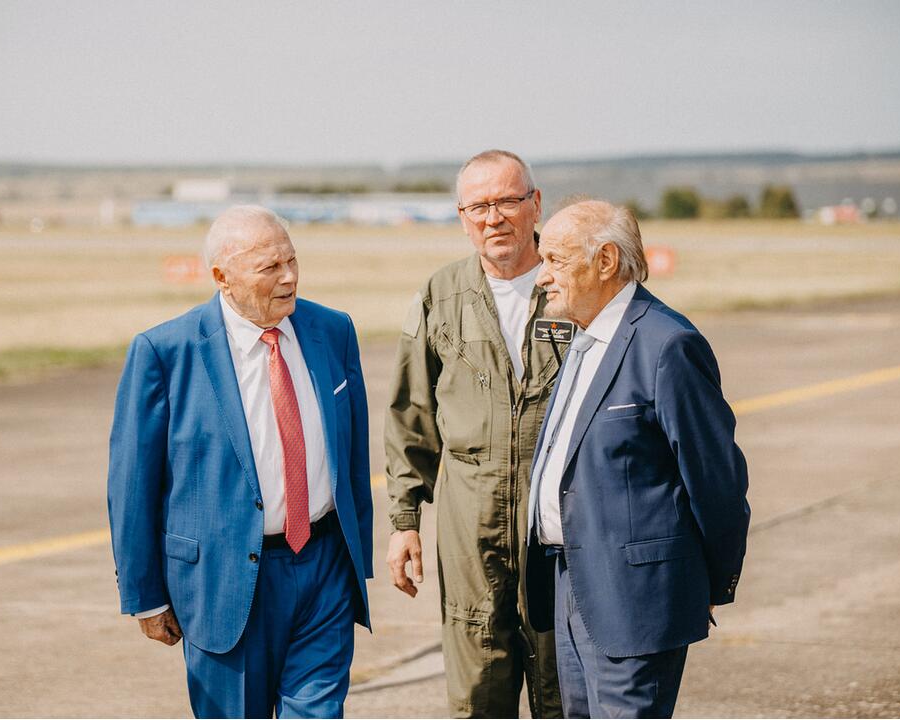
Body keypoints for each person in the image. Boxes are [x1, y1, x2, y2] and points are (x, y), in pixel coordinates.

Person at [107, 206, 373, 718]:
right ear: (221, 278)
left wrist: (356, 550)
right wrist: (145, 595)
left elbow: (352, 446)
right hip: (223, 582)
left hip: (323, 569)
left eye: (292, 260)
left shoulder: (332, 330)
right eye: (269, 267)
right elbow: (133, 486)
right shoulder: (165, 352)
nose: (290, 276)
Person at [525, 200, 750, 718]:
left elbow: (716, 482)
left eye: (555, 260)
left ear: (605, 261)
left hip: (636, 599)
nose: (541, 277)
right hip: (569, 584)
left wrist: (710, 583)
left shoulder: (667, 344)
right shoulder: (584, 339)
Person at [386, 149, 564, 717]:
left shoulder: (574, 287)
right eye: (479, 206)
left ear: (535, 205)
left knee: (566, 691)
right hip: (470, 527)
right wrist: (405, 520)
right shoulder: (440, 295)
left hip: (561, 528)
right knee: (477, 691)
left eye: (508, 201)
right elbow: (411, 415)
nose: (495, 218)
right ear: (462, 217)